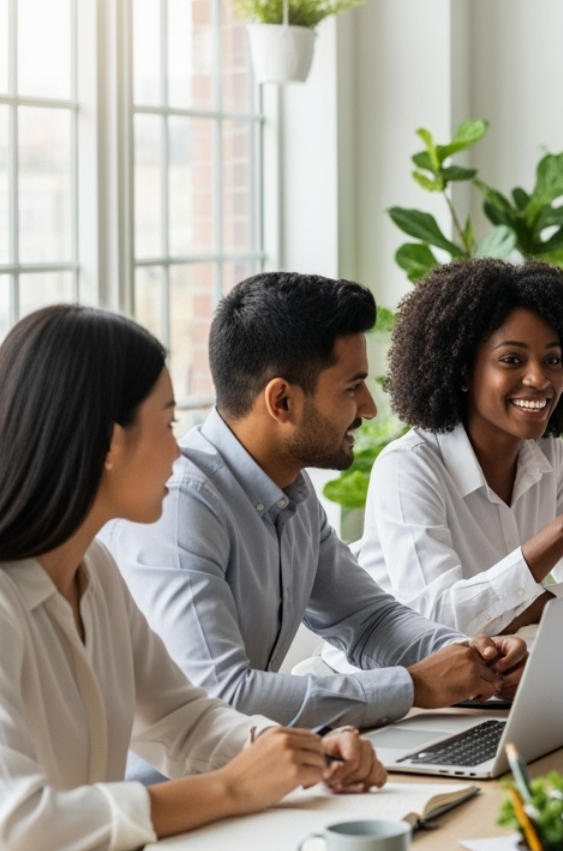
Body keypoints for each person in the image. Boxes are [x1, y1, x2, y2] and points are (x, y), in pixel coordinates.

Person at [0, 305, 386, 851]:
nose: (178, 451)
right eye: (167, 422)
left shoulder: (95, 571)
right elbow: (17, 824)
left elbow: (180, 717)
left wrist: (295, 751)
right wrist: (230, 788)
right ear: (110, 444)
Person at [104, 273, 526, 731]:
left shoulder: (292, 493)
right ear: (281, 401)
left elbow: (368, 620)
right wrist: (412, 686)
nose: (369, 408)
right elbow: (222, 696)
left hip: (257, 774)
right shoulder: (182, 506)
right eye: (352, 387)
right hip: (167, 793)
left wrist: (472, 658)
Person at [349, 259, 563, 637]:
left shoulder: (550, 454)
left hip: (498, 676)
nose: (539, 379)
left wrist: (524, 609)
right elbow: (435, 623)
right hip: (400, 687)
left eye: (552, 360)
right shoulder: (408, 468)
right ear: (462, 371)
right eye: (511, 360)